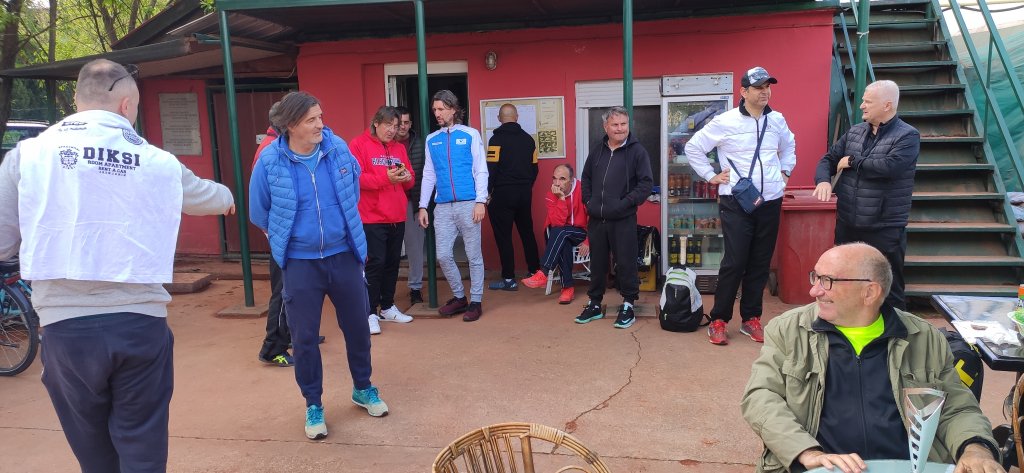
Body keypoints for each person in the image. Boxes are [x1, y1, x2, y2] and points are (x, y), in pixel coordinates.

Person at [0, 59, 235, 472]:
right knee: (142, 447)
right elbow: (212, 198)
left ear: (77, 101)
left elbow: (3, 242)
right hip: (139, 323)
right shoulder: (157, 161)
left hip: (66, 328)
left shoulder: (27, 156)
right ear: (127, 105)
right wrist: (227, 198)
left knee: (93, 453)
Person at [741, 243, 1003, 473]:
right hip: (824, 468)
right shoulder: (789, 330)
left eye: (827, 281)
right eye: (815, 277)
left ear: (869, 292)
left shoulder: (923, 338)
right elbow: (761, 397)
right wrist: (807, 453)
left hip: (905, 466)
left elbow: (956, 407)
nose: (814, 291)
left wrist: (975, 448)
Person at [250, 91, 389, 441]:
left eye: (320, 117)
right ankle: (313, 403)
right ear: (290, 124)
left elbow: (351, 189)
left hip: (344, 255)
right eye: (311, 120)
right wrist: (292, 237)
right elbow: (259, 211)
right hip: (300, 262)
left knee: (357, 327)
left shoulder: (337, 148)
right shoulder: (270, 161)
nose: (320, 125)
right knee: (305, 338)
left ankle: (363, 387)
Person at [685, 66, 796, 346]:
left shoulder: (777, 120)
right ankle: (719, 319)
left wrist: (784, 173)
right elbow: (693, 147)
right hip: (737, 200)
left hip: (770, 200)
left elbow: (789, 146)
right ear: (743, 92)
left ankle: (751, 318)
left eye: (767, 86)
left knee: (760, 261)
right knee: (734, 262)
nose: (764, 92)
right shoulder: (725, 121)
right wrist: (710, 175)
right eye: (758, 87)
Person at [813, 80, 918, 310]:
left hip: (884, 227)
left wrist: (852, 161)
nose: (861, 106)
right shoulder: (855, 131)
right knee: (844, 281)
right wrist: (823, 180)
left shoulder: (907, 136)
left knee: (887, 287)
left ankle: (893, 329)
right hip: (848, 223)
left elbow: (890, 167)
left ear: (887, 105)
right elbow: (828, 159)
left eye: (868, 101)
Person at [576, 106, 654, 329]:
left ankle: (628, 304)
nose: (620, 129)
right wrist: (588, 201)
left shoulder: (637, 151)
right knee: (598, 263)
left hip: (623, 218)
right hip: (597, 218)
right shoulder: (597, 150)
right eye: (615, 125)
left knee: (626, 262)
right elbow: (586, 177)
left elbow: (646, 184)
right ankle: (594, 303)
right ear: (606, 127)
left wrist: (624, 204)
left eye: (624, 124)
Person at [416, 90, 489, 322]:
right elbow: (429, 174)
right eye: (434, 110)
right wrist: (423, 205)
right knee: (443, 255)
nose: (437, 114)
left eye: (441, 109)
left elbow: (481, 169)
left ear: (453, 109)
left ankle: (476, 301)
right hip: (443, 206)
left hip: (468, 203)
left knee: (473, 255)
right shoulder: (432, 139)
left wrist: (480, 201)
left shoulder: (470, 134)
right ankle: (459, 297)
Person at [350, 105, 416, 335]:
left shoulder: (399, 147)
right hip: (371, 217)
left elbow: (410, 179)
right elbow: (356, 178)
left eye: (396, 126)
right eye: (388, 125)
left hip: (396, 214)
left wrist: (406, 177)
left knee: (392, 263)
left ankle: (387, 307)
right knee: (374, 264)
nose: (392, 130)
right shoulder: (358, 144)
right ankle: (369, 311)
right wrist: (385, 178)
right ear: (376, 123)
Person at [486, 103, 541, 291]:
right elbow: (534, 169)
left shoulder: (495, 140)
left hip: (502, 194)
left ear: (499, 119)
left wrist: (487, 192)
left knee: (504, 236)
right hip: (524, 193)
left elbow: (491, 169)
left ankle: (509, 279)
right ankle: (534, 271)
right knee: (527, 232)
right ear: (516, 117)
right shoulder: (529, 140)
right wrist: (526, 186)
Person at [521, 164, 590, 305]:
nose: (557, 183)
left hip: (581, 232)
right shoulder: (551, 194)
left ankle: (544, 271)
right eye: (554, 178)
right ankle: (567, 288)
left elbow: (595, 218)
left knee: (561, 233)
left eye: (562, 179)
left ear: (571, 180)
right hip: (560, 234)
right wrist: (561, 198)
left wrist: (589, 241)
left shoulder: (583, 190)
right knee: (563, 239)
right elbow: (557, 223)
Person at [395, 106, 427, 306]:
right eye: (400, 123)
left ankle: (415, 288)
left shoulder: (420, 143)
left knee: (415, 247)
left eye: (407, 122)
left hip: (413, 201)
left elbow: (427, 173)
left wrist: (424, 204)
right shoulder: (385, 144)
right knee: (388, 248)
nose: (403, 127)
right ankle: (384, 290)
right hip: (390, 201)